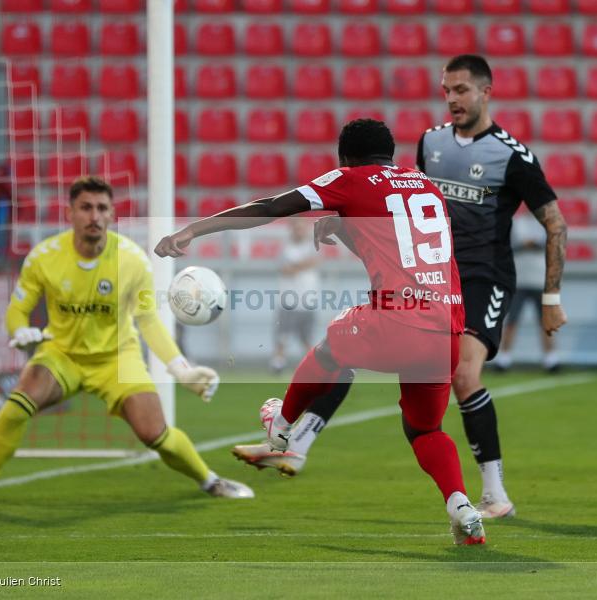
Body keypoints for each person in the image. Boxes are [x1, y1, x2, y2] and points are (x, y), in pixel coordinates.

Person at [231, 55, 568, 520]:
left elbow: (555, 222)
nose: (452, 99)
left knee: (461, 376)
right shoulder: (431, 142)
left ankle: (494, 492)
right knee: (351, 352)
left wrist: (550, 297)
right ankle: (299, 444)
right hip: (429, 275)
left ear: (486, 92)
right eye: (446, 90)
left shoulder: (512, 155)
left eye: (462, 90)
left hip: (483, 276)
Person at [156, 119, 486, 545]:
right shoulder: (425, 186)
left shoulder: (350, 178)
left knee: (332, 344)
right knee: (425, 429)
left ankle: (281, 426)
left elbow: (273, 207)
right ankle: (460, 505)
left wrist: (193, 229)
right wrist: (344, 227)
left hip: (400, 320)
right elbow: (395, 253)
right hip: (446, 331)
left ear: (344, 157)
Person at [0, 176, 253, 504]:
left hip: (117, 357)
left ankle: (211, 481)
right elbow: (17, 309)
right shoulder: (44, 257)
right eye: (86, 207)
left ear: (111, 214)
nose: (94, 215)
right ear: (70, 213)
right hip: (62, 353)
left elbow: (148, 320)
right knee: (19, 402)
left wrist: (181, 369)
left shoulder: (132, 260)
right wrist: (19, 330)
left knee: (154, 433)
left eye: (101, 208)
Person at [493, 209, 561, 373]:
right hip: (519, 280)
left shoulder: (546, 222)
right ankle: (504, 359)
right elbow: (510, 244)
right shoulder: (516, 223)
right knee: (512, 321)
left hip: (541, 280)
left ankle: (551, 359)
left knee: (546, 323)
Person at [269, 218, 321, 374]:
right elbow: (285, 269)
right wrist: (302, 265)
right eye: (297, 229)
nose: (300, 232)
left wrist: (295, 266)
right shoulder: (285, 248)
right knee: (282, 334)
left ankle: (313, 365)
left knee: (306, 336)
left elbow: (314, 261)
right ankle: (278, 363)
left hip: (307, 299)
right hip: (288, 299)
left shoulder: (312, 247)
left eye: (302, 228)